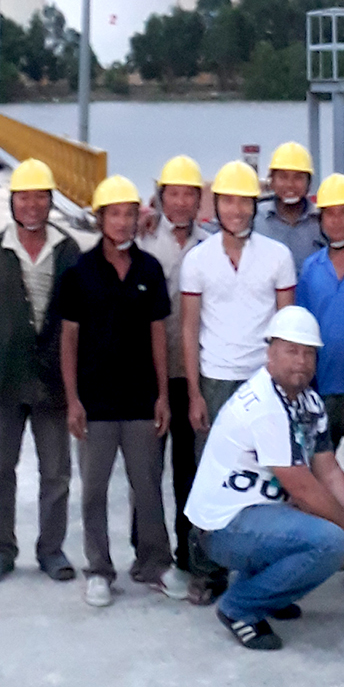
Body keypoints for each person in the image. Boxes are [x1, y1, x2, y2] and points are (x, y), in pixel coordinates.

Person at [186, 306, 344, 651]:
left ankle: (267, 594)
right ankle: (240, 608)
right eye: (291, 350)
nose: (301, 361)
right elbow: (303, 487)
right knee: (332, 540)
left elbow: (327, 470)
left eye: (309, 352)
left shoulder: (308, 400)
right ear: (270, 353)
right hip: (224, 525)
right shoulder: (266, 404)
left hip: (259, 511)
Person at [59, 175, 186, 606]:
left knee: (147, 486)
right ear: (100, 219)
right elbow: (69, 339)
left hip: (140, 399)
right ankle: (98, 569)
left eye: (130, 214)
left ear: (138, 218)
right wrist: (72, 399)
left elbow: (157, 335)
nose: (123, 222)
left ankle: (155, 563)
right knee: (93, 490)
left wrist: (162, 396)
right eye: (114, 214)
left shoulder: (149, 269)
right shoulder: (79, 272)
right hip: (94, 403)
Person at [180, 158, 297, 605]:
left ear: (255, 204)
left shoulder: (278, 257)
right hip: (214, 380)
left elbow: (286, 326)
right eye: (228, 200)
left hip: (265, 382)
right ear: (217, 205)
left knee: (270, 479)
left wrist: (287, 388)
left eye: (244, 201)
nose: (236, 210)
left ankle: (266, 574)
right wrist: (193, 392)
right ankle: (207, 571)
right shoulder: (199, 260)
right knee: (210, 478)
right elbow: (190, 329)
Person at [0, 157, 81, 586]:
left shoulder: (68, 251)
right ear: (13, 202)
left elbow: (79, 321)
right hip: (5, 379)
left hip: (52, 381)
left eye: (40, 197)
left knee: (56, 473)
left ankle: (51, 549)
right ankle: (1, 549)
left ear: (51, 202)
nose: (32, 205)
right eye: (24, 197)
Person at [293, 173, 344, 552]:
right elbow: (302, 330)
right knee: (318, 480)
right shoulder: (311, 269)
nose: (336, 222)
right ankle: (329, 549)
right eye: (329, 215)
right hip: (319, 392)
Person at [139, 155, 210, 579]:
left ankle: (189, 552)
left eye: (188, 194)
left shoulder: (212, 243)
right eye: (173, 194)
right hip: (148, 373)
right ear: (161, 197)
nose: (181, 202)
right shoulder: (143, 239)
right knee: (146, 471)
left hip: (193, 374)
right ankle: (148, 553)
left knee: (191, 468)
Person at [254, 141, 325, 267]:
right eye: (283, 177)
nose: (290, 185)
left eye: (298, 178)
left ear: (309, 183)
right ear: (272, 181)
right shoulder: (254, 217)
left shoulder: (323, 221)